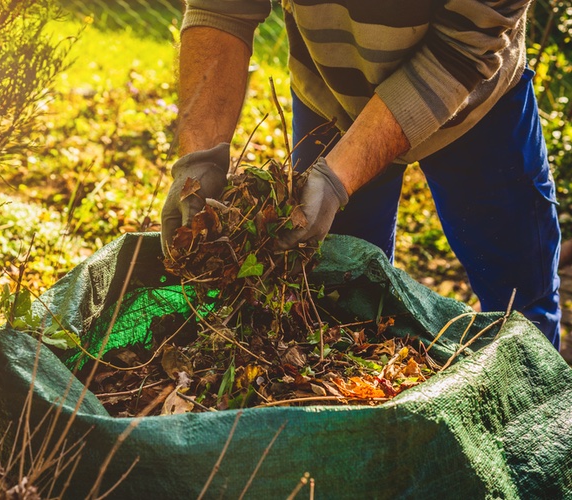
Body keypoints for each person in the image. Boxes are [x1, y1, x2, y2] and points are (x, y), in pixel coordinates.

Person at [160, 0, 562, 349]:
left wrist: (339, 176)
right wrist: (199, 158)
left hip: (478, 108)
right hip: (332, 96)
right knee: (338, 307)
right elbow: (220, 8)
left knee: (520, 310)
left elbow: (462, 45)